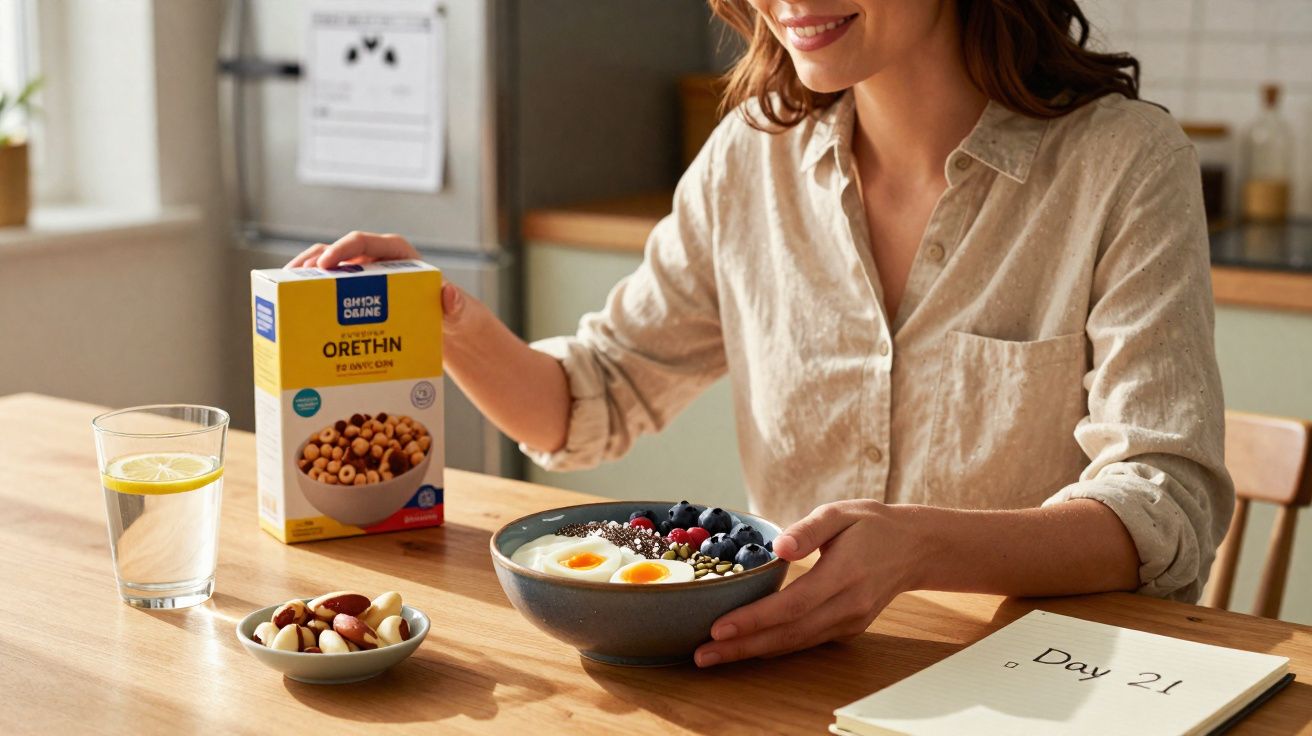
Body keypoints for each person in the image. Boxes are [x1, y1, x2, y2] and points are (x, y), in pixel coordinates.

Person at [289, 0, 1232, 668]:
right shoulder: (751, 158)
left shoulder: (1123, 163)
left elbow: (1166, 505)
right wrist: (441, 317)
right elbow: (589, 403)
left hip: (1041, 680)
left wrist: (921, 548)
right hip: (798, 679)